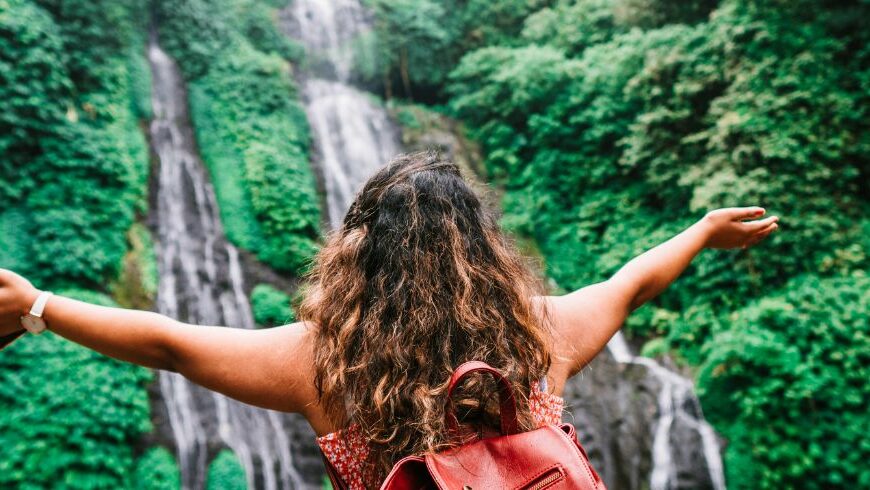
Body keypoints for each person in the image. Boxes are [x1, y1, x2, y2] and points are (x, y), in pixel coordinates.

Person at [0, 152, 778, 489]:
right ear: (482, 250)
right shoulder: (540, 334)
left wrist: (36, 306)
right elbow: (633, 282)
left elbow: (170, 343)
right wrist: (705, 230)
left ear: (358, 251)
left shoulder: (323, 363)